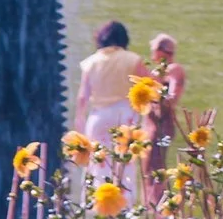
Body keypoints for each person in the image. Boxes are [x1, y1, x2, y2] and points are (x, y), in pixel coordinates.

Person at [72, 20, 145, 190]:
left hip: (99, 116)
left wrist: (80, 119)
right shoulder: (132, 59)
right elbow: (148, 84)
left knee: (97, 162)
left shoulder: (90, 62)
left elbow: (83, 96)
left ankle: (96, 203)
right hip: (125, 114)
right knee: (125, 162)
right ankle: (124, 204)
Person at [143, 32, 188, 202]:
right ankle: (152, 205)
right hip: (152, 123)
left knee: (156, 167)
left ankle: (160, 207)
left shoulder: (173, 69)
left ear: (162, 50)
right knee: (149, 167)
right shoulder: (158, 71)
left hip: (163, 123)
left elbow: (172, 96)